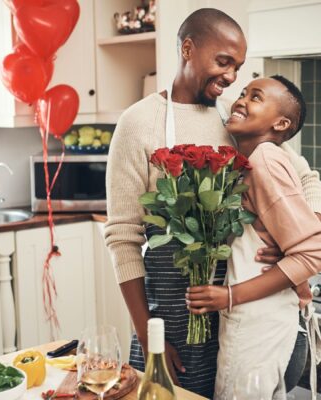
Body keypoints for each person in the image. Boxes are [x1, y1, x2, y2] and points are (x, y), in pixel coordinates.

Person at [105, 8, 321, 398]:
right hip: (170, 315)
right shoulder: (138, 123)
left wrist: (296, 235)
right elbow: (123, 238)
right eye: (223, 62)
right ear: (188, 48)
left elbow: (305, 174)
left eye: (237, 67)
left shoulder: (235, 121)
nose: (231, 77)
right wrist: (145, 330)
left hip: (234, 312)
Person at [186, 75, 321, 399]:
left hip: (259, 324)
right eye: (244, 92)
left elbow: (313, 252)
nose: (241, 99)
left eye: (256, 97)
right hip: (266, 321)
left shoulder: (265, 160)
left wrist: (229, 296)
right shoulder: (253, 160)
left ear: (281, 123)